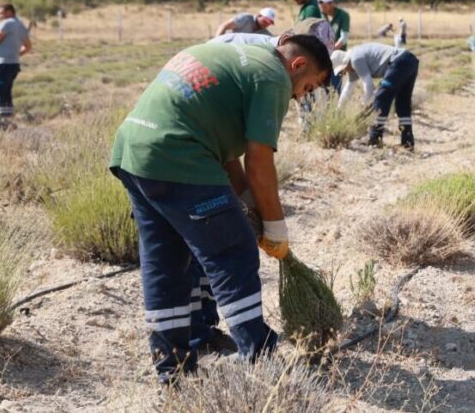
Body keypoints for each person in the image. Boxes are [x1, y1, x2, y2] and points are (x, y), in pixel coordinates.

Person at [108, 32, 331, 385]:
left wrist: (249, 207)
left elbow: (227, 156)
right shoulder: (273, 76)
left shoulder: (237, 58)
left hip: (135, 154)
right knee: (233, 251)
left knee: (165, 262)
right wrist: (275, 227)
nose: (301, 96)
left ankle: (173, 370)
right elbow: (259, 162)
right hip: (178, 155)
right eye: (308, 87)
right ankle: (260, 357)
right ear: (298, 64)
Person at [332, 43, 419, 149]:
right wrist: (339, 110)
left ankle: (375, 138)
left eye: (342, 71)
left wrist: (365, 109)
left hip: (399, 61)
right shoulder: (354, 62)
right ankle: (407, 142)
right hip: (410, 60)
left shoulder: (355, 59)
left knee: (381, 98)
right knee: (402, 103)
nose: (344, 73)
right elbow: (348, 89)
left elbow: (368, 87)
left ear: (345, 63)